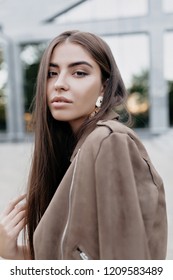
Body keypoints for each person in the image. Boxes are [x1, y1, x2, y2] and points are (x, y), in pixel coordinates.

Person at [0, 30, 167, 260]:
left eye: (79, 73)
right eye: (51, 73)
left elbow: (124, 266)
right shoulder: (81, 149)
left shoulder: (109, 141)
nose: (59, 84)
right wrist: (15, 253)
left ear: (103, 87)